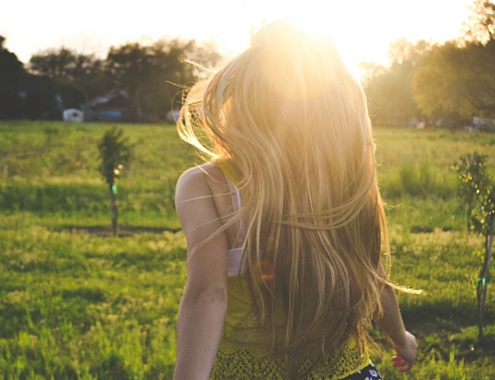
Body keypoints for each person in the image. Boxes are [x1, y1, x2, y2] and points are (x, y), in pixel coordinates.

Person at [173, 21, 418, 380]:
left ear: (237, 101)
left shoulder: (207, 185)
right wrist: (401, 338)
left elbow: (208, 295)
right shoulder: (342, 183)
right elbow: (372, 273)